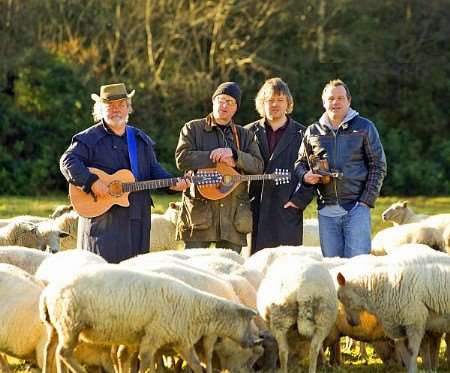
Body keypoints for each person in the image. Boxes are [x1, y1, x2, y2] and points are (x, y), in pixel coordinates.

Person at [60, 83, 188, 263]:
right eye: (110, 105)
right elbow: (67, 161)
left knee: (134, 272)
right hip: (103, 221)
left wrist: (172, 183)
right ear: (100, 109)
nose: (116, 110)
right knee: (102, 273)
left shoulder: (139, 139)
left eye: (121, 104)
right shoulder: (89, 138)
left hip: (137, 216)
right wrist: (91, 182)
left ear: (128, 108)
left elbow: (153, 169)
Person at [295, 79, 387, 258]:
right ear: (323, 102)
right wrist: (305, 176)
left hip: (356, 208)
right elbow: (300, 164)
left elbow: (378, 165)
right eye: (330, 98)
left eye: (340, 98)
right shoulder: (312, 131)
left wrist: (365, 201)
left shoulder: (365, 127)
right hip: (326, 211)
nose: (335, 102)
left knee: (358, 269)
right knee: (333, 270)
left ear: (349, 101)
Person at [175, 82, 264, 253]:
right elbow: (182, 158)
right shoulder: (193, 128)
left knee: (229, 273)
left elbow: (258, 166)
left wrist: (235, 156)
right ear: (213, 101)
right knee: (195, 271)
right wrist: (214, 157)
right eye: (221, 100)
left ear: (236, 108)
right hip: (200, 218)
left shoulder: (245, 135)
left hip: (233, 219)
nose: (224, 106)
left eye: (230, 102)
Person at [245, 77, 308, 254]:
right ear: (262, 103)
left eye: (280, 100)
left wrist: (298, 201)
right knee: (254, 270)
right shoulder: (246, 133)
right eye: (270, 100)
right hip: (254, 209)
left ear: (288, 103)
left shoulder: (303, 134)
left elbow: (311, 173)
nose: (275, 104)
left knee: (286, 267)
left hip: (286, 211)